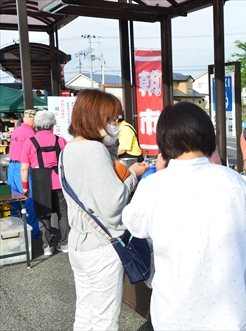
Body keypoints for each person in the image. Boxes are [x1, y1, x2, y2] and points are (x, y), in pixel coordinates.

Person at [122, 102, 246, 330]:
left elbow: (134, 226)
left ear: (165, 142)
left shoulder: (154, 185)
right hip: (229, 314)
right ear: (208, 136)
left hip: (174, 315)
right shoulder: (234, 180)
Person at [59, 89, 149, 330]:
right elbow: (113, 205)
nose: (116, 124)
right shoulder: (93, 150)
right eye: (112, 119)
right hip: (102, 246)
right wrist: (131, 176)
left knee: (85, 312)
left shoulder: (68, 149)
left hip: (79, 242)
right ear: (95, 118)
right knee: (105, 319)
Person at [20, 111, 69, 256]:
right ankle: (65, 243)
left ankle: (47, 246)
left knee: (43, 214)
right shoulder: (60, 141)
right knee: (63, 214)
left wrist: (25, 187)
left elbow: (24, 167)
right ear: (52, 125)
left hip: (39, 181)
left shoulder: (30, 142)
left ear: (37, 124)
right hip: (59, 181)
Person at [7, 109, 39, 239]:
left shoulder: (17, 130)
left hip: (12, 167)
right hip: (22, 167)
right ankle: (33, 233)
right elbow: (33, 153)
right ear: (33, 119)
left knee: (14, 200)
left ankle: (15, 231)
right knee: (28, 198)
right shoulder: (30, 132)